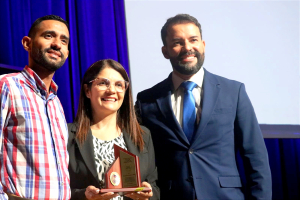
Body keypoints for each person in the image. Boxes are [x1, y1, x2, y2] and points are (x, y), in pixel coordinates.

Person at [135, 14, 272, 200]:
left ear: (203, 45)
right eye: (177, 42)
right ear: (165, 51)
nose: (188, 48)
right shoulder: (147, 100)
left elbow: (255, 157)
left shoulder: (234, 91)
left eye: (193, 40)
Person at [0, 15, 70, 200]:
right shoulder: (7, 86)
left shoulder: (56, 102)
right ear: (27, 43)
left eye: (64, 40)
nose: (57, 44)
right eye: (49, 36)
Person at [68, 59, 159, 200]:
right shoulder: (67, 135)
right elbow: (58, 190)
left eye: (119, 85)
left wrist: (147, 195)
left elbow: (155, 189)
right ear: (87, 90)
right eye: (103, 83)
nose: (111, 90)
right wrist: (84, 196)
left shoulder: (143, 135)